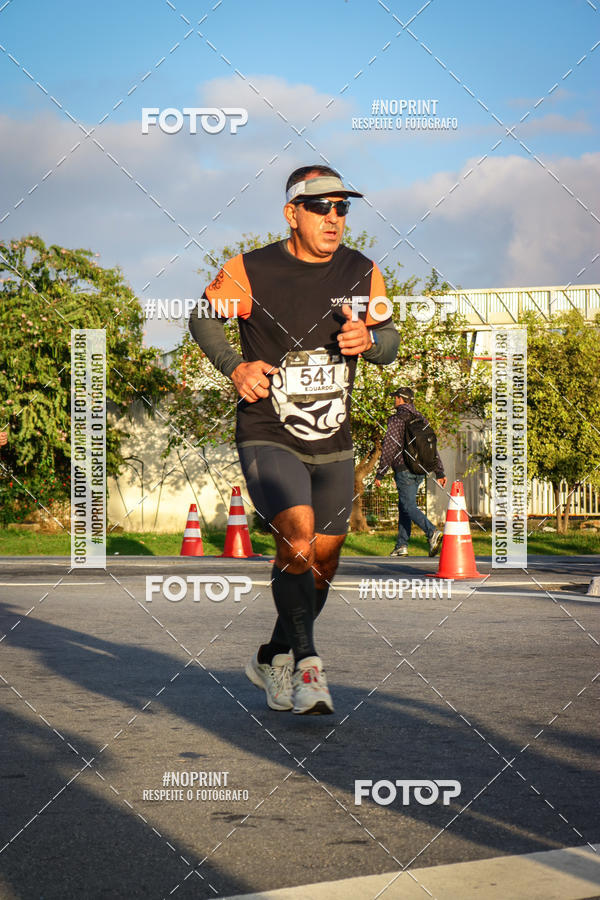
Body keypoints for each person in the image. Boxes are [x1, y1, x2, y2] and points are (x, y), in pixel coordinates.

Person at [189, 164, 400, 714]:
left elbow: (389, 339)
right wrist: (235, 366)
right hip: (268, 430)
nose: (334, 218)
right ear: (292, 213)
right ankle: (308, 665)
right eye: (321, 207)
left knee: (323, 560)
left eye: (342, 208)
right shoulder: (250, 269)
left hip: (333, 438)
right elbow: (203, 319)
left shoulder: (362, 271)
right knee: (298, 538)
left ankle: (272, 655)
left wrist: (369, 341)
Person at [374, 386, 447, 557]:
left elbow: (389, 447)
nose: (394, 400)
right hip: (420, 470)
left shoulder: (396, 419)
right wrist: (439, 471)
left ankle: (432, 532)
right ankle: (402, 545)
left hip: (404, 469)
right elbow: (431, 448)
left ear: (400, 399)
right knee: (404, 505)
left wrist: (381, 472)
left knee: (408, 506)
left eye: (395, 397)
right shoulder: (421, 418)